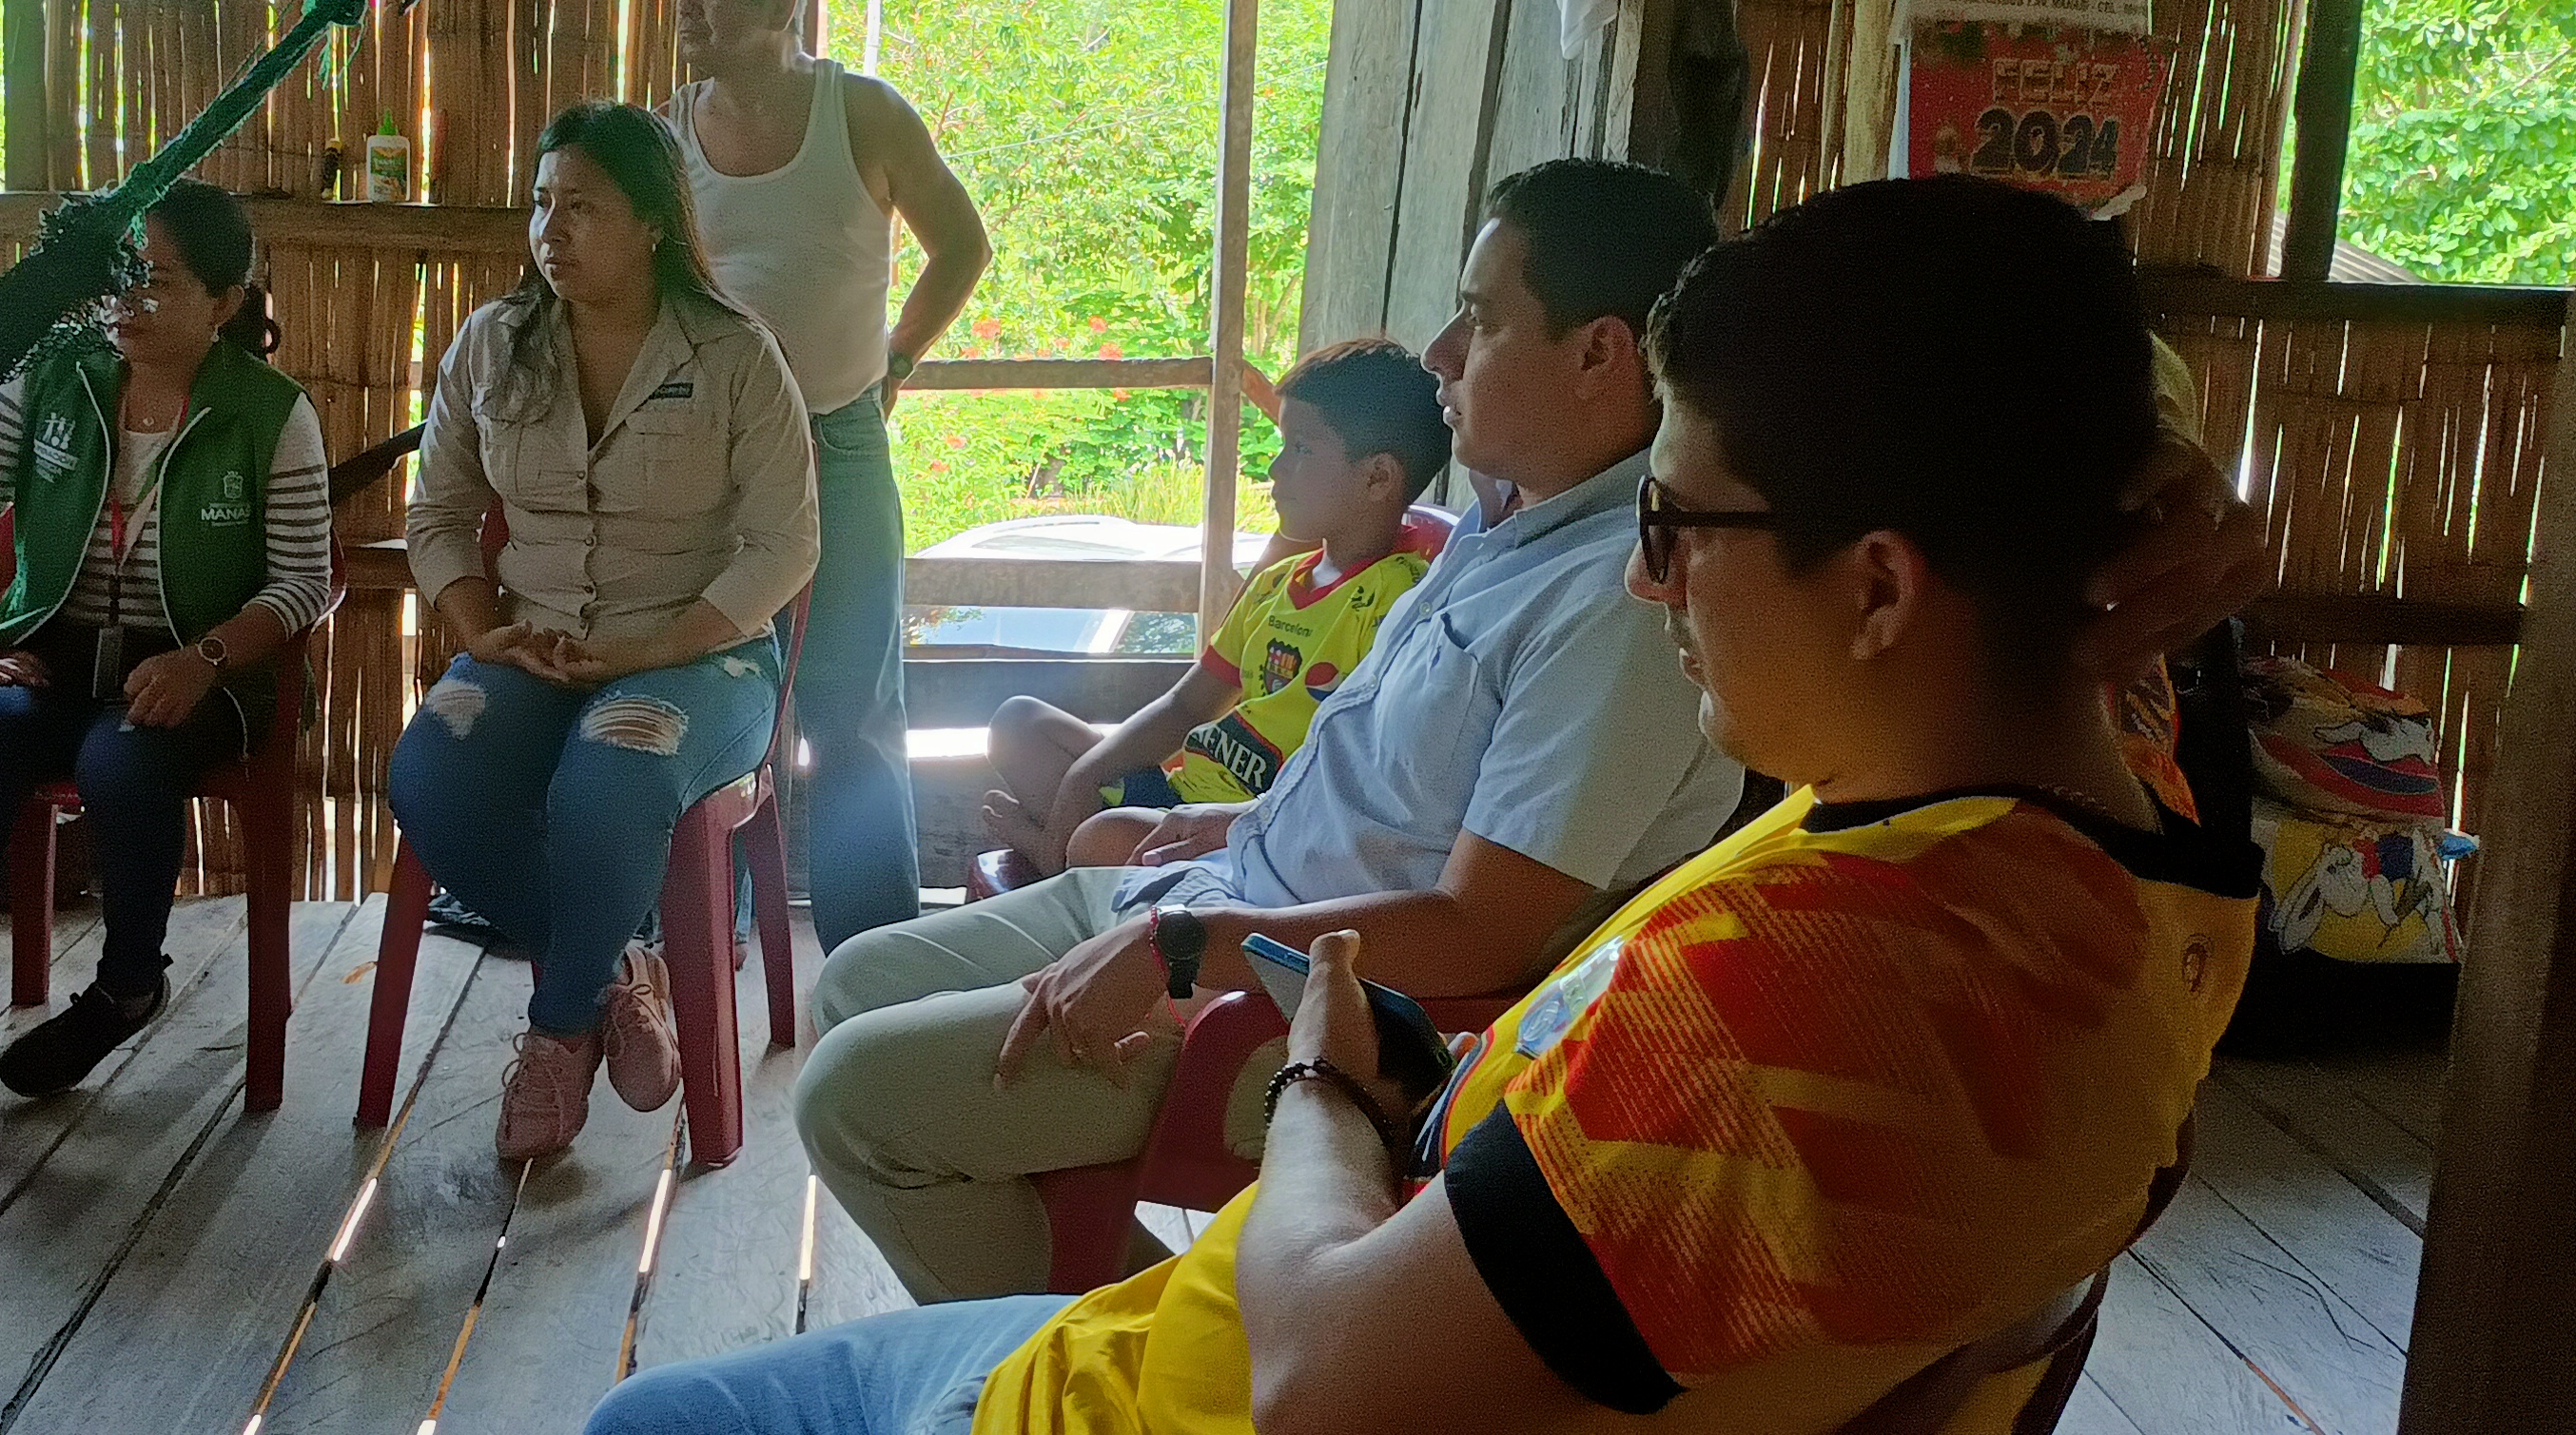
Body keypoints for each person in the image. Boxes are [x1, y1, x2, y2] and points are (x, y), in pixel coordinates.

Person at [586, 174, 2261, 1435]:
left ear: (1882, 587)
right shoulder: (2130, 861)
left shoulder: (1789, 1010)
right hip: (1238, 1263)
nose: (1654, 581)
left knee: (645, 1419)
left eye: (1679, 526)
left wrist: (1328, 1087)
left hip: (1158, 1387)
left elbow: (1322, 1381)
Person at [797, 160, 1747, 1304]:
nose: (1440, 352)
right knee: (855, 986)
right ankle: (1133, 1340)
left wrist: (1186, 948)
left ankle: (1135, 1365)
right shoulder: (1504, 529)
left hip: (1304, 1015)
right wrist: (1235, 819)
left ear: (1598, 354)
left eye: (1481, 318)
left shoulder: (1614, 604)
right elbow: (1397, 784)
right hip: (1227, 890)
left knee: (856, 1101)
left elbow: (1482, 937)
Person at [385, 103, 820, 1163]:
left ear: (654, 222)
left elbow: (786, 545)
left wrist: (654, 649)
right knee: (431, 775)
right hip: (534, 648)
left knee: (612, 776)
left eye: (581, 207)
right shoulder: (495, 345)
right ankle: (618, 975)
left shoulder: (735, 355)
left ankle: (555, 1031)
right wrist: (480, 633)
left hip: (701, 661)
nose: (552, 231)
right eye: (542, 205)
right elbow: (436, 516)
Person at [0, 180, 335, 1139]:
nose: (128, 300)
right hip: (52, 657)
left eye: (159, 281)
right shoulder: (49, 375)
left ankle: (126, 988)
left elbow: (304, 582)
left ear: (224, 301)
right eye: (119, 276)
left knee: (123, 758)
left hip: (196, 674)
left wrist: (204, 658)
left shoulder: (270, 412)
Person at [665, 0, 992, 953]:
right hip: (709, 457)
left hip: (838, 443)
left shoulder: (864, 115)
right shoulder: (668, 135)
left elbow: (962, 246)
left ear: (782, 0)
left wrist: (896, 358)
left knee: (852, 713)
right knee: (714, 695)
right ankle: (702, 945)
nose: (688, 4)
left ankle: (872, 960)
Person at [976, 339, 1450, 874]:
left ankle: (1056, 854)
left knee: (1103, 838)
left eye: (1300, 449)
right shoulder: (1276, 583)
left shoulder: (1400, 603)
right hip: (1179, 794)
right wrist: (1085, 776)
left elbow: (1363, 773)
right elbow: (1185, 707)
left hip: (1249, 831)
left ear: (1377, 477)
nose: (1275, 469)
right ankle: (1071, 855)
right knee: (1019, 725)